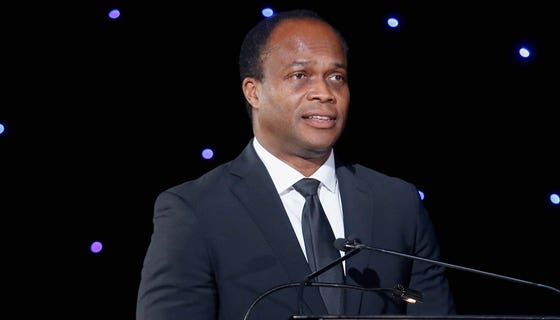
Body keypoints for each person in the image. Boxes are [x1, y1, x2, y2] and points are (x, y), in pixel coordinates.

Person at [136, 8, 456, 320]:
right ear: (254, 92)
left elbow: (421, 304)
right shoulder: (194, 210)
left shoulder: (397, 204)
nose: (324, 92)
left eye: (336, 76)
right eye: (300, 75)